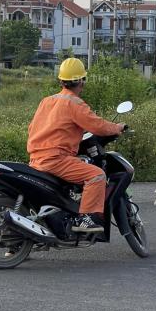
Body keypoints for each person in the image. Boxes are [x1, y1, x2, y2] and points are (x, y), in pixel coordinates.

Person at [27, 58, 125, 233]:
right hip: (56, 160)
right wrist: (117, 128)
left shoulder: (47, 101)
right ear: (81, 81)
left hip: (35, 159)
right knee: (96, 175)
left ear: (61, 80)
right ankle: (85, 219)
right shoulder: (74, 103)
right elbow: (98, 126)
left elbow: (33, 128)